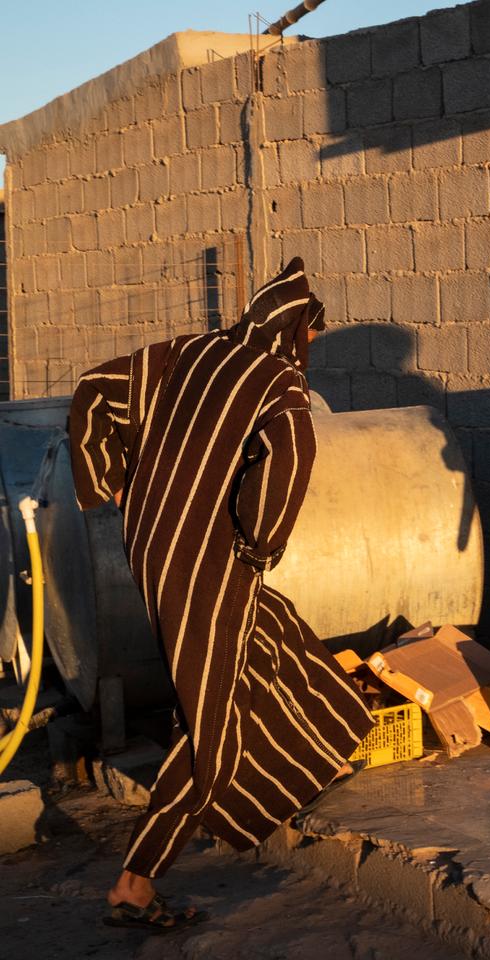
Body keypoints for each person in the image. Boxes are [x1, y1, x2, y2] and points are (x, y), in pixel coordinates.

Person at [68, 258, 374, 931]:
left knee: (276, 645)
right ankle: (136, 880)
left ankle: (306, 745)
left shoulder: (191, 352)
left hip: (152, 550)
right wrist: (259, 545)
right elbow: (290, 461)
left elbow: (94, 390)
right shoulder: (279, 383)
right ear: (294, 331)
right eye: (310, 341)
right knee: (215, 726)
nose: (309, 354)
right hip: (209, 564)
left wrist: (114, 485)